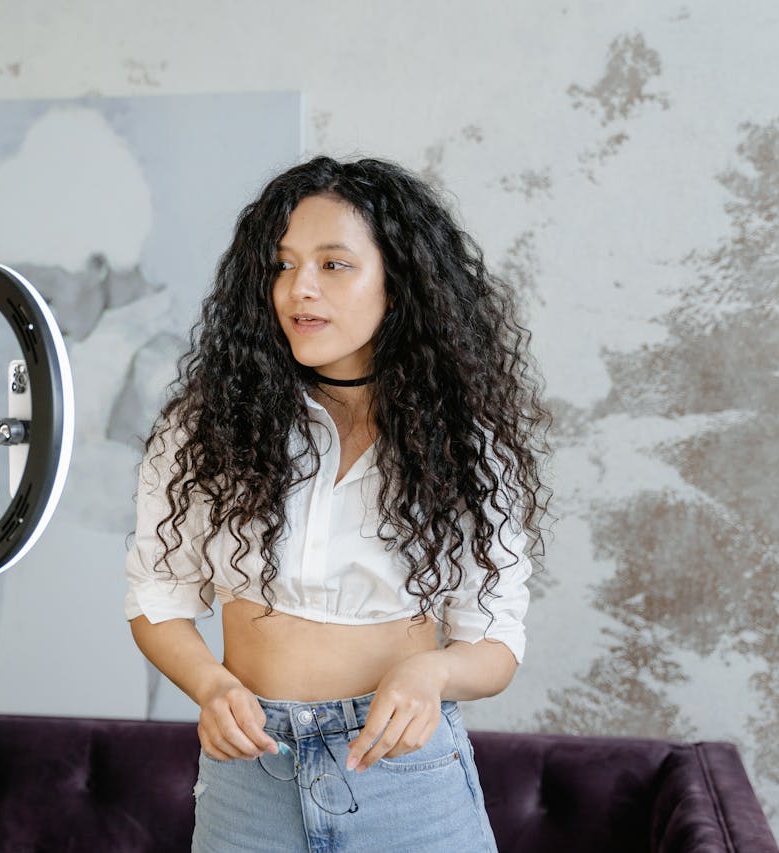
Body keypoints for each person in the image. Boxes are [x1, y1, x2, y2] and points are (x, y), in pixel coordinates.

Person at [124, 156, 549, 852]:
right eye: (282, 265)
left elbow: (497, 639)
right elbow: (155, 596)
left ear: (399, 282)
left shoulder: (464, 447)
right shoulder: (210, 426)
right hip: (249, 780)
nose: (300, 289)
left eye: (333, 264)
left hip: (406, 783)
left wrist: (434, 670)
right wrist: (209, 684)